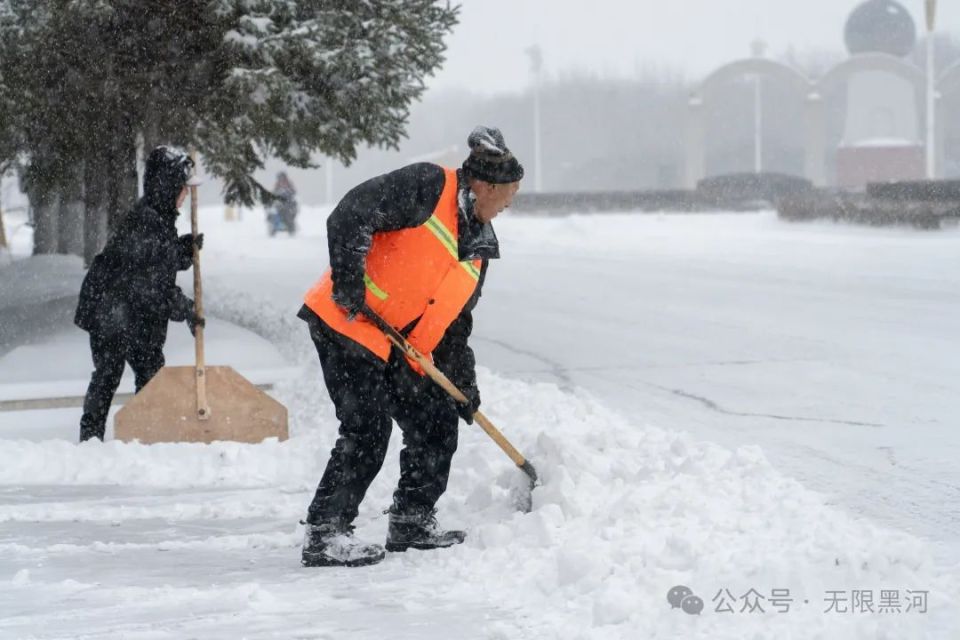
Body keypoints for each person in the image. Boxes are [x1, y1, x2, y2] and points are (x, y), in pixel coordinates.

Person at [297, 126, 523, 567]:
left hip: (396, 342)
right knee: (368, 427)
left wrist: (463, 386)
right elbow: (349, 214)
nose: (511, 203)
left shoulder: (478, 248)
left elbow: (454, 326)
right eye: (509, 194)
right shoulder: (427, 185)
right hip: (347, 322)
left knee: (435, 419)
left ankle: (412, 521)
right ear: (485, 186)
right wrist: (349, 281)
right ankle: (325, 533)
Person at [74, 146, 204, 442]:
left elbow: (154, 264)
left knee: (149, 371)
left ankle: (146, 436)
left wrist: (180, 251)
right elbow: (149, 285)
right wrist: (185, 308)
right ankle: (92, 441)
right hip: (113, 311)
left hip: (126, 310)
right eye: (182, 188)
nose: (185, 195)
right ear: (169, 187)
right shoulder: (148, 222)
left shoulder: (157, 218)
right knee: (110, 372)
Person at [268, 171, 298, 235]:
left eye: (282, 178)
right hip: (279, 205)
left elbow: (294, 192)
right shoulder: (277, 185)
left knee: (289, 216)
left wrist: (288, 193)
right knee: (274, 215)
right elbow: (273, 193)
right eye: (280, 178)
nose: (281, 180)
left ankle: (291, 228)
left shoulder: (289, 184)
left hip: (289, 205)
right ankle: (274, 227)